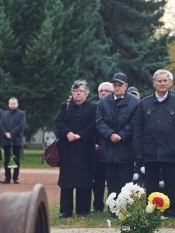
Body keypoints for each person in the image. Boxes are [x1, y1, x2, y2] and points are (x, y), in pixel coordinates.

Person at [133, 70, 175, 217]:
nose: (162, 83)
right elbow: (138, 128)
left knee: (171, 183)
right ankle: (152, 210)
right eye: (159, 81)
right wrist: (138, 151)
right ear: (154, 83)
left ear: (170, 83)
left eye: (165, 81)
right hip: (150, 149)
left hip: (171, 150)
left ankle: (171, 211)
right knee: (151, 184)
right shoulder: (144, 103)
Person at [55, 80, 97, 217]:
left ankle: (83, 209)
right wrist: (68, 133)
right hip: (68, 148)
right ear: (72, 93)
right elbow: (58, 122)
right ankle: (65, 210)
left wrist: (80, 135)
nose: (78, 94)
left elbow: (94, 125)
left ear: (87, 93)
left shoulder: (92, 108)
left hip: (85, 148)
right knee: (67, 180)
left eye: (81, 91)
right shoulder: (64, 107)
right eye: (76, 91)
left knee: (84, 180)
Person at [96, 72, 140, 202]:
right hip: (108, 148)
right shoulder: (103, 102)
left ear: (126, 86)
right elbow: (99, 121)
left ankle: (124, 206)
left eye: (120, 85)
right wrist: (110, 134)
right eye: (114, 85)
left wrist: (121, 135)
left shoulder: (134, 103)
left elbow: (135, 122)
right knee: (111, 180)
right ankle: (113, 207)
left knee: (125, 180)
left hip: (125, 148)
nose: (117, 88)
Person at [92, 82, 113, 212]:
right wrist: (93, 144)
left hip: (111, 148)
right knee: (97, 181)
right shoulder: (93, 108)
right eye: (101, 91)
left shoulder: (113, 107)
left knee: (111, 180)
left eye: (107, 91)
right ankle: (97, 205)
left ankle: (113, 205)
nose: (104, 93)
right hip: (96, 150)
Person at [0, 97, 25, 184]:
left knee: (16, 159)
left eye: (14, 103)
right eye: (11, 103)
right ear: (8, 104)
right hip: (6, 140)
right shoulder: (4, 114)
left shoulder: (21, 114)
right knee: (6, 159)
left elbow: (20, 125)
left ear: (17, 104)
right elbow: (1, 125)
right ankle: (7, 177)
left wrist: (12, 134)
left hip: (16, 140)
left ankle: (15, 177)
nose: (13, 105)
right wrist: (6, 134)